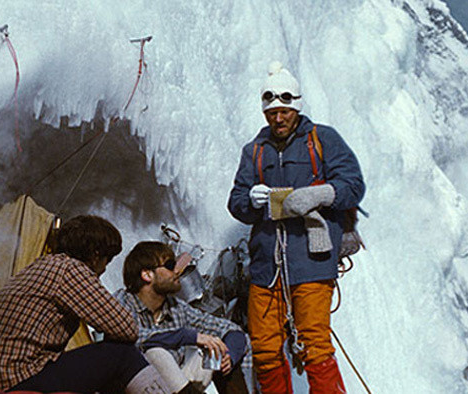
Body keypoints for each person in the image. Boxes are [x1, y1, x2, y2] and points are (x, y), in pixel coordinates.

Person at [227, 61, 365, 393]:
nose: (278, 117)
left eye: (284, 110)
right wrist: (251, 199)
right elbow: (236, 202)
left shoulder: (323, 139)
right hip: (266, 268)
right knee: (264, 349)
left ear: (296, 106)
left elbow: (353, 185)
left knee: (315, 345)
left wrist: (321, 193)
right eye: (271, 111)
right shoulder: (254, 151)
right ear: (265, 112)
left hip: (312, 263)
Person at [0, 215, 169, 393]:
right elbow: (126, 328)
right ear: (95, 255)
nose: (103, 270)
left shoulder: (45, 265)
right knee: (122, 355)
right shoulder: (70, 269)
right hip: (18, 375)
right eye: (106, 260)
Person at [114, 241, 249, 394]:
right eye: (170, 266)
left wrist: (229, 356)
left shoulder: (176, 307)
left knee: (218, 348)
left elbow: (231, 329)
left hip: (177, 388)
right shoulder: (122, 302)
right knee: (155, 352)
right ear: (147, 275)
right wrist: (189, 336)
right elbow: (135, 336)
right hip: (139, 388)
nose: (177, 271)